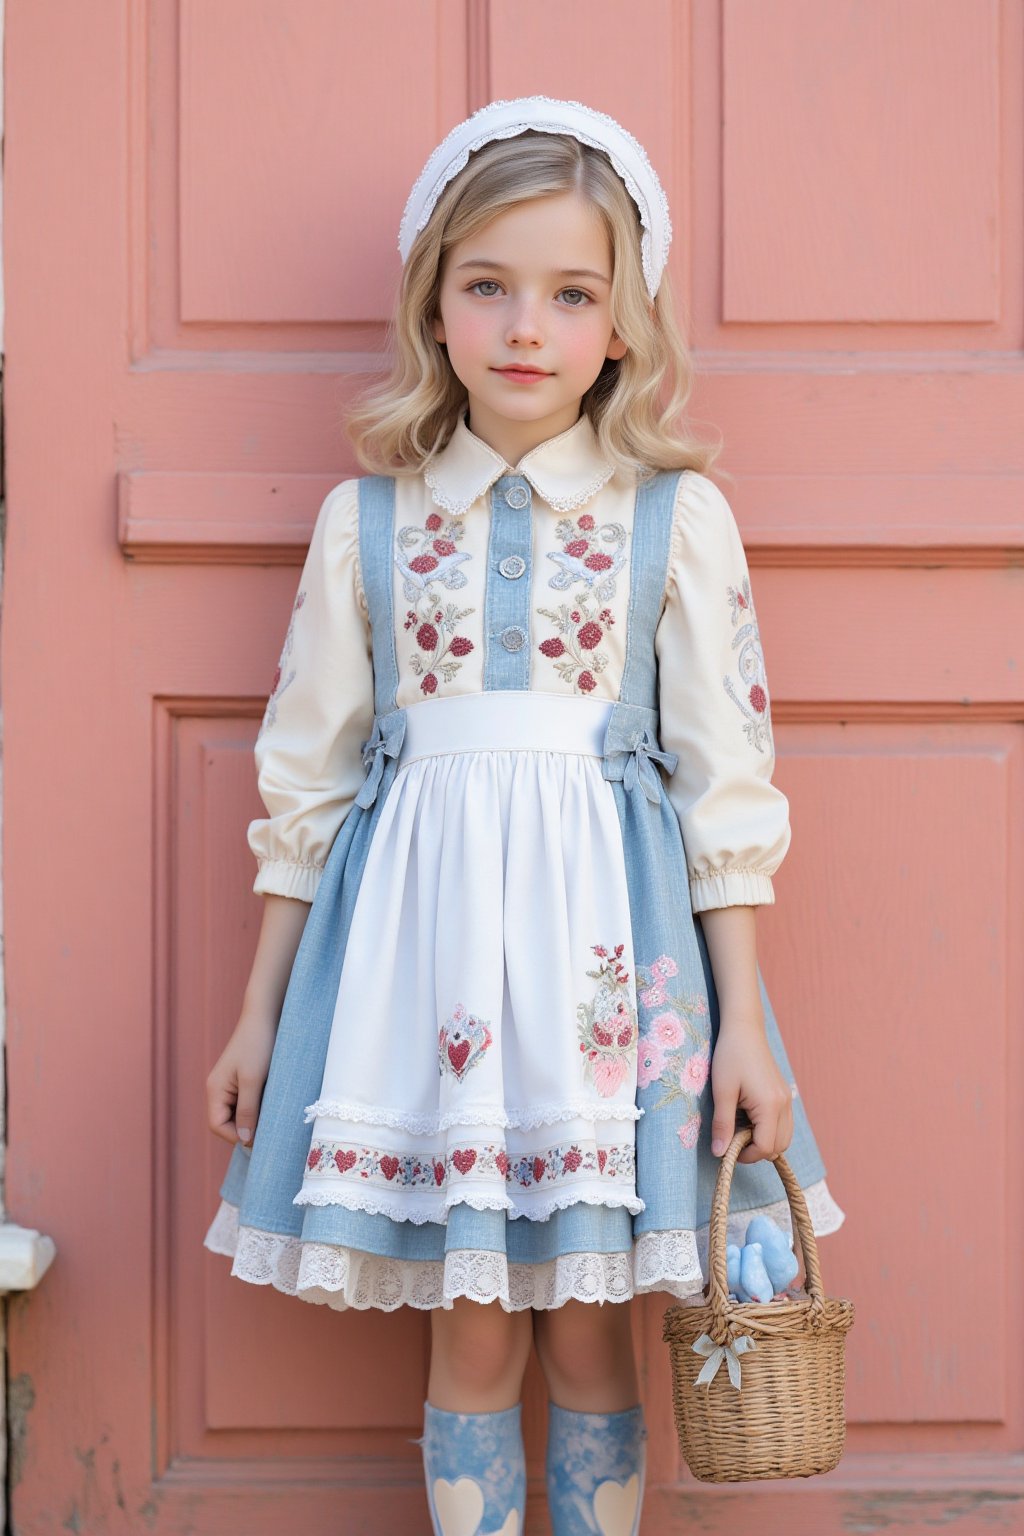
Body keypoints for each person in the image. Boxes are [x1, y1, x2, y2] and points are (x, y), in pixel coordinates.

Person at [203, 97, 846, 1536]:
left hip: (610, 983)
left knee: (588, 1332)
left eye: (570, 294)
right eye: (487, 285)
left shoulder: (671, 518)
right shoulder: (364, 523)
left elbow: (724, 786)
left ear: (623, 324)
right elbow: (305, 789)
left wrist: (745, 1024)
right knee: (473, 1329)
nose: (524, 328)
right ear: (435, 302)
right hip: (428, 983)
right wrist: (258, 1013)